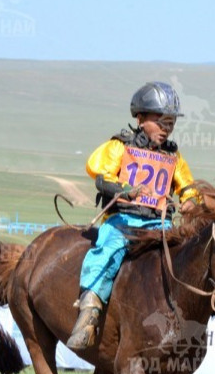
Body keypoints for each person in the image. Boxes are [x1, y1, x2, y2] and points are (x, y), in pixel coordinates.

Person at [67, 81, 198, 350]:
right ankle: (88, 315)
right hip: (123, 222)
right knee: (106, 251)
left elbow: (187, 187)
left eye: (171, 123)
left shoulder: (174, 155)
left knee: (194, 256)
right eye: (160, 121)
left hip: (160, 223)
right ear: (140, 118)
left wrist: (190, 202)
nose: (166, 128)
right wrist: (125, 190)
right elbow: (102, 177)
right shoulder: (119, 146)